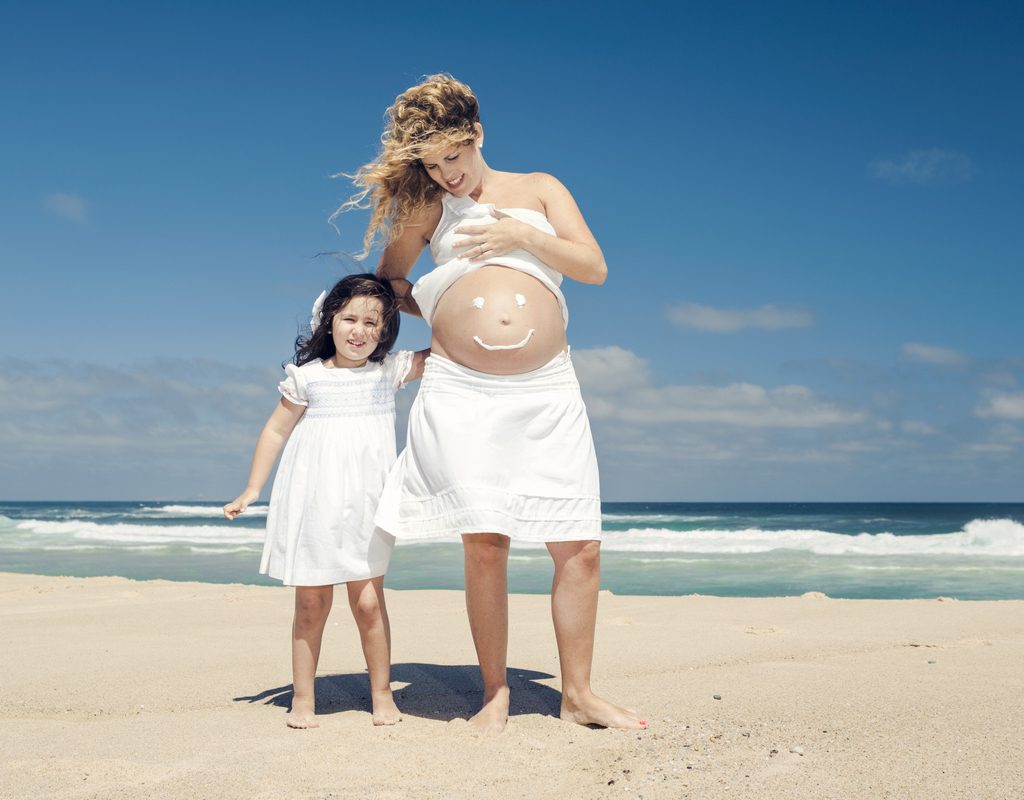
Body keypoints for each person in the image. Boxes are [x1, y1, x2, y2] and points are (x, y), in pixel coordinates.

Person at [340, 74, 646, 734]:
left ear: (477, 134)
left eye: (453, 157)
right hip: (462, 388)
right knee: (485, 542)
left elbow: (592, 267)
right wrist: (444, 304)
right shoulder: (429, 209)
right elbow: (391, 280)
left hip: (547, 388)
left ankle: (579, 694)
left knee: (579, 547)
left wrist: (522, 239)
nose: (445, 174)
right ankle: (494, 691)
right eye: (430, 164)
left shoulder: (540, 188)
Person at [223, 274, 428, 729]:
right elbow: (276, 429)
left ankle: (381, 694)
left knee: (369, 603)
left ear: (385, 330)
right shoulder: (307, 377)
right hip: (312, 501)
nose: (359, 330)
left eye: (372, 322)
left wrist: (420, 299)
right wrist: (252, 488)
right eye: (349, 318)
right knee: (311, 604)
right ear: (329, 321)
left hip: (367, 504)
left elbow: (452, 347)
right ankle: (302, 697)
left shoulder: (388, 371)